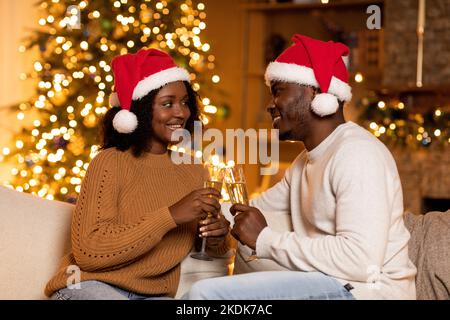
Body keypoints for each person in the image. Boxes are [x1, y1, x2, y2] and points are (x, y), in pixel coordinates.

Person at [185, 34, 417, 300]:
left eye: (279, 91)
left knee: (206, 295)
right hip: (331, 282)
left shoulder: (357, 154)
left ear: (316, 93)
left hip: (370, 292)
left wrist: (266, 239)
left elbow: (362, 261)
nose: (271, 105)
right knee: (224, 274)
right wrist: (196, 211)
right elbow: (253, 209)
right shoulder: (305, 162)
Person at [45, 48, 230, 300]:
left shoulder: (195, 170)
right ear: (141, 111)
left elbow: (207, 250)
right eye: (167, 104)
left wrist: (218, 236)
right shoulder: (110, 162)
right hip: (89, 285)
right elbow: (89, 251)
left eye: (185, 102)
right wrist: (171, 215)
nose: (181, 113)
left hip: (154, 294)